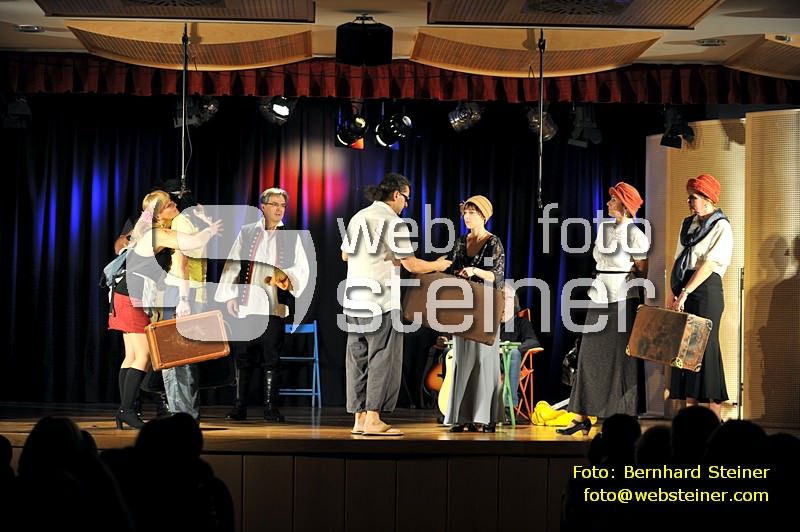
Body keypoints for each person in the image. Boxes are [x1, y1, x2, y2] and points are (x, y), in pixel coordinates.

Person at [341, 172, 451, 436]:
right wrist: (438, 265)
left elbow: (345, 255)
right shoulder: (394, 222)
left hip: (353, 300)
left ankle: (359, 419)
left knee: (357, 359)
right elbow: (411, 264)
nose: (406, 204)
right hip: (380, 302)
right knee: (381, 358)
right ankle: (373, 419)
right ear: (396, 194)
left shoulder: (358, 217)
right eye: (406, 198)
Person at [108, 190, 222, 429]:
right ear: (158, 214)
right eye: (169, 205)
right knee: (144, 356)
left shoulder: (147, 231)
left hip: (125, 295)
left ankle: (125, 410)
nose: (175, 206)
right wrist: (211, 228)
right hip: (131, 298)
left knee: (132, 355)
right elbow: (194, 242)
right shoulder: (158, 233)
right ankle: (127, 410)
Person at [557, 182, 649, 436]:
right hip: (599, 294)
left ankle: (622, 415)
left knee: (620, 359)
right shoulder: (605, 228)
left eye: (613, 200)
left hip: (622, 297)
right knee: (588, 354)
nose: (608, 203)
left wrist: (628, 275)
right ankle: (581, 415)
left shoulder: (635, 234)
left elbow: (642, 268)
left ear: (625, 206)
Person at [216, 187, 310, 422]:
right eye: (275, 204)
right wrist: (229, 295)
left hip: (273, 306)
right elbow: (233, 263)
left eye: (282, 205)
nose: (279, 209)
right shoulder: (248, 232)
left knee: (272, 358)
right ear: (263, 206)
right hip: (246, 305)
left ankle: (270, 407)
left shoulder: (292, 236)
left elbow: (302, 267)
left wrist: (287, 277)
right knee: (243, 358)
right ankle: (240, 406)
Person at [667, 173, 732, 419]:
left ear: (707, 199)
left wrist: (685, 292)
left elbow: (709, 264)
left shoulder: (721, 226)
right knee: (686, 348)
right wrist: (672, 292)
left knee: (705, 347)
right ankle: (689, 414)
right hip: (684, 285)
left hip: (706, 290)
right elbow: (677, 259)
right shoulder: (688, 224)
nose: (689, 201)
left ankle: (714, 414)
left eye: (693, 197)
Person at [443, 195, 506, 433]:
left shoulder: (493, 242)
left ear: (483, 216)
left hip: (486, 306)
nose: (467, 217)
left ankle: (485, 417)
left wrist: (474, 270)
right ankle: (462, 416)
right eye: (465, 213)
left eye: (472, 213)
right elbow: (450, 268)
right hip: (462, 306)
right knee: (462, 360)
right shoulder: (461, 242)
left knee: (483, 361)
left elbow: (496, 275)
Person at [158, 199, 214, 421]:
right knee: (185, 358)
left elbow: (182, 262)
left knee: (175, 359)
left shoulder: (180, 222)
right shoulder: (191, 221)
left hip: (181, 293)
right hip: (194, 292)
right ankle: (187, 415)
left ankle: (181, 415)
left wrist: (183, 299)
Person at [499, 284, 541, 414]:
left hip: (508, 363)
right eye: (500, 297)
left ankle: (508, 406)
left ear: (514, 302)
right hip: (488, 361)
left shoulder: (521, 322)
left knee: (514, 353)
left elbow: (533, 341)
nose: (503, 301)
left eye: (507, 298)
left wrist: (510, 348)